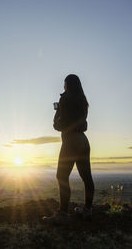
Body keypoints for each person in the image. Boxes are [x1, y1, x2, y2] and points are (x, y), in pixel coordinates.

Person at [42, 74, 95, 225]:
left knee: (61, 176)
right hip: (83, 141)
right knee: (87, 177)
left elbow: (60, 125)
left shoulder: (65, 99)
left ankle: (63, 214)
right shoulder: (83, 101)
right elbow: (82, 122)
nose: (63, 87)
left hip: (70, 142)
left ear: (67, 85)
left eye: (64, 84)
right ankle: (87, 211)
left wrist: (56, 113)